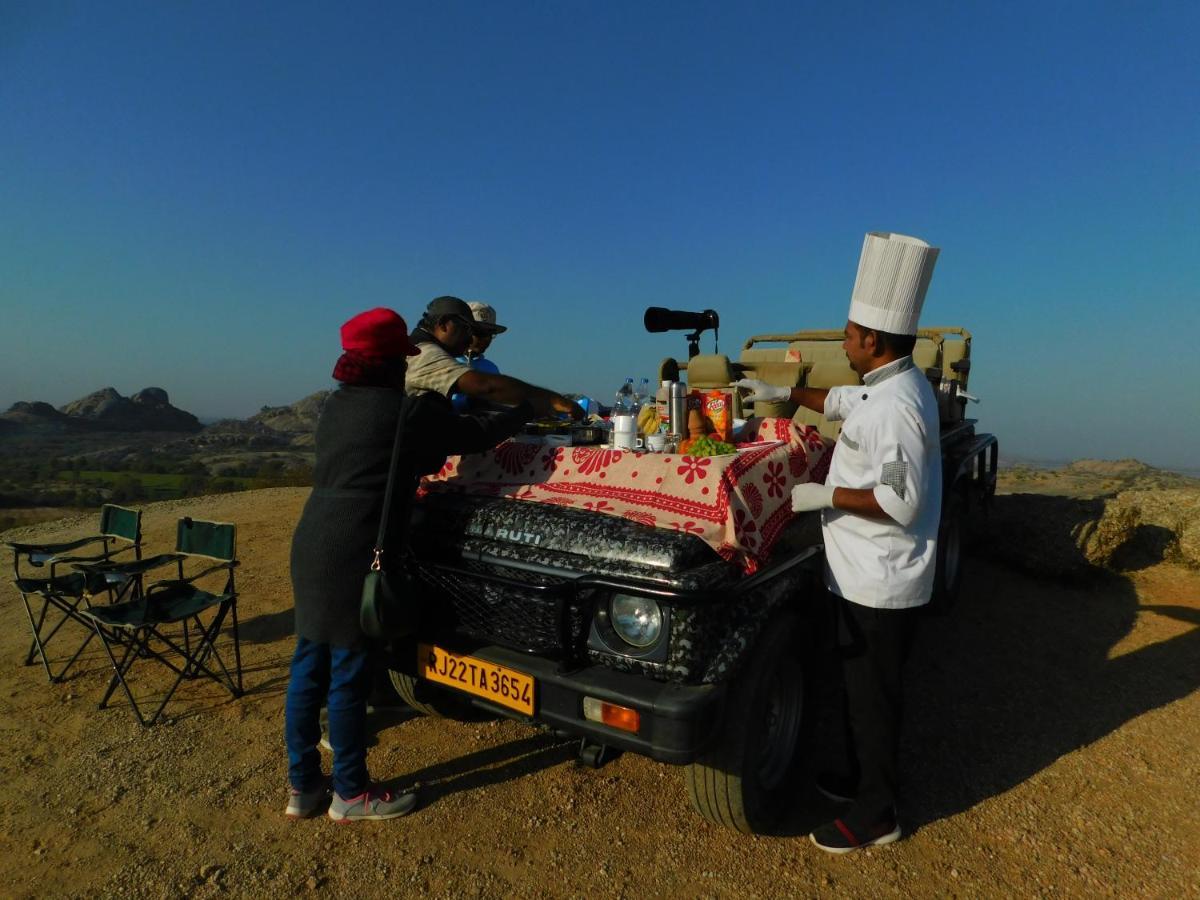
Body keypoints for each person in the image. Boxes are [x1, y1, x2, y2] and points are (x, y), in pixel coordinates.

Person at [285, 307, 537, 822]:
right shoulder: (403, 413)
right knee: (351, 672)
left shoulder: (336, 406)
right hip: (357, 545)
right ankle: (351, 794)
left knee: (308, 665)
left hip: (312, 539)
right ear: (388, 365)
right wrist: (526, 407)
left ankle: (303, 786)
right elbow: (473, 435)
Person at [736, 232, 943, 853]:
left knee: (874, 700)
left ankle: (879, 813)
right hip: (855, 571)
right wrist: (784, 395)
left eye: (849, 336)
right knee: (856, 691)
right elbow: (842, 399)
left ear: (873, 341)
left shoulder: (900, 407)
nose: (844, 342)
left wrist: (826, 497)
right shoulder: (885, 385)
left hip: (882, 580)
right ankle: (858, 779)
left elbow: (902, 503)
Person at [406, 295, 583, 420]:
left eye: (489, 334)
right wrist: (550, 400)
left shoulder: (487, 367)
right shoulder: (423, 353)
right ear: (444, 324)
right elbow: (486, 387)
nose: (470, 338)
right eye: (470, 330)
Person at [451, 301, 504, 411]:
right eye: (479, 332)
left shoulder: (491, 368)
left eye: (489, 334)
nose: (485, 339)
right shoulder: (443, 361)